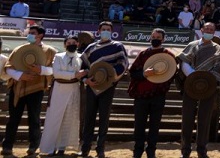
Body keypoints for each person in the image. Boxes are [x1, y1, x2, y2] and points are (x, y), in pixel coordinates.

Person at [1, 25, 57, 156]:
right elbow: (8, 68)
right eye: (29, 32)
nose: (30, 35)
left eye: (33, 33)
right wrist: (21, 76)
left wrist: (41, 70)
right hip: (18, 88)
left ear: (41, 35)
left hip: (36, 89)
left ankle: (33, 146)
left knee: (34, 119)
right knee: (13, 118)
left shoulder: (50, 51)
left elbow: (54, 70)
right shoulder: (19, 49)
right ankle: (7, 146)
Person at [79, 21, 129, 158]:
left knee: (104, 118)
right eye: (103, 29)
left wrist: (111, 77)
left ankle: (100, 148)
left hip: (108, 86)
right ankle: (85, 148)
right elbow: (82, 66)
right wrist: (85, 80)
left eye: (108, 29)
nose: (105, 31)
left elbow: (123, 63)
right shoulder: (90, 47)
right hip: (92, 85)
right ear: (99, 31)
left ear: (111, 31)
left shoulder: (118, 46)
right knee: (88, 118)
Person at [178, 22, 220, 158]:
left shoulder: (217, 49)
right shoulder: (192, 45)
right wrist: (194, 76)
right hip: (191, 86)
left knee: (204, 119)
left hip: (208, 87)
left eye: (212, 29)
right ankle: (185, 150)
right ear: (201, 30)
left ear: (214, 32)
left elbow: (219, 66)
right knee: (187, 119)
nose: (209, 31)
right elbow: (184, 62)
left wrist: (205, 80)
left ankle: (202, 150)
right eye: (207, 29)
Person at [128, 28, 175, 158]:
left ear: (163, 39)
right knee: (139, 124)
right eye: (153, 36)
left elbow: (171, 75)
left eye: (158, 37)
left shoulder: (169, 55)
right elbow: (133, 73)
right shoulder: (143, 54)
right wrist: (144, 74)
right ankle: (137, 151)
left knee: (155, 125)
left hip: (158, 95)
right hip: (141, 95)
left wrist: (161, 85)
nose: (155, 39)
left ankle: (151, 151)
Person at [39, 35, 84, 155]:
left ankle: (62, 147)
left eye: (74, 42)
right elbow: (57, 73)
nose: (71, 44)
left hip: (74, 89)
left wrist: (83, 75)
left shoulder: (81, 58)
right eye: (68, 43)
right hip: (59, 90)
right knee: (54, 118)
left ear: (78, 44)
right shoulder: (58, 56)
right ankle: (49, 148)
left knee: (70, 118)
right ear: (65, 45)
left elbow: (85, 73)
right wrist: (75, 74)